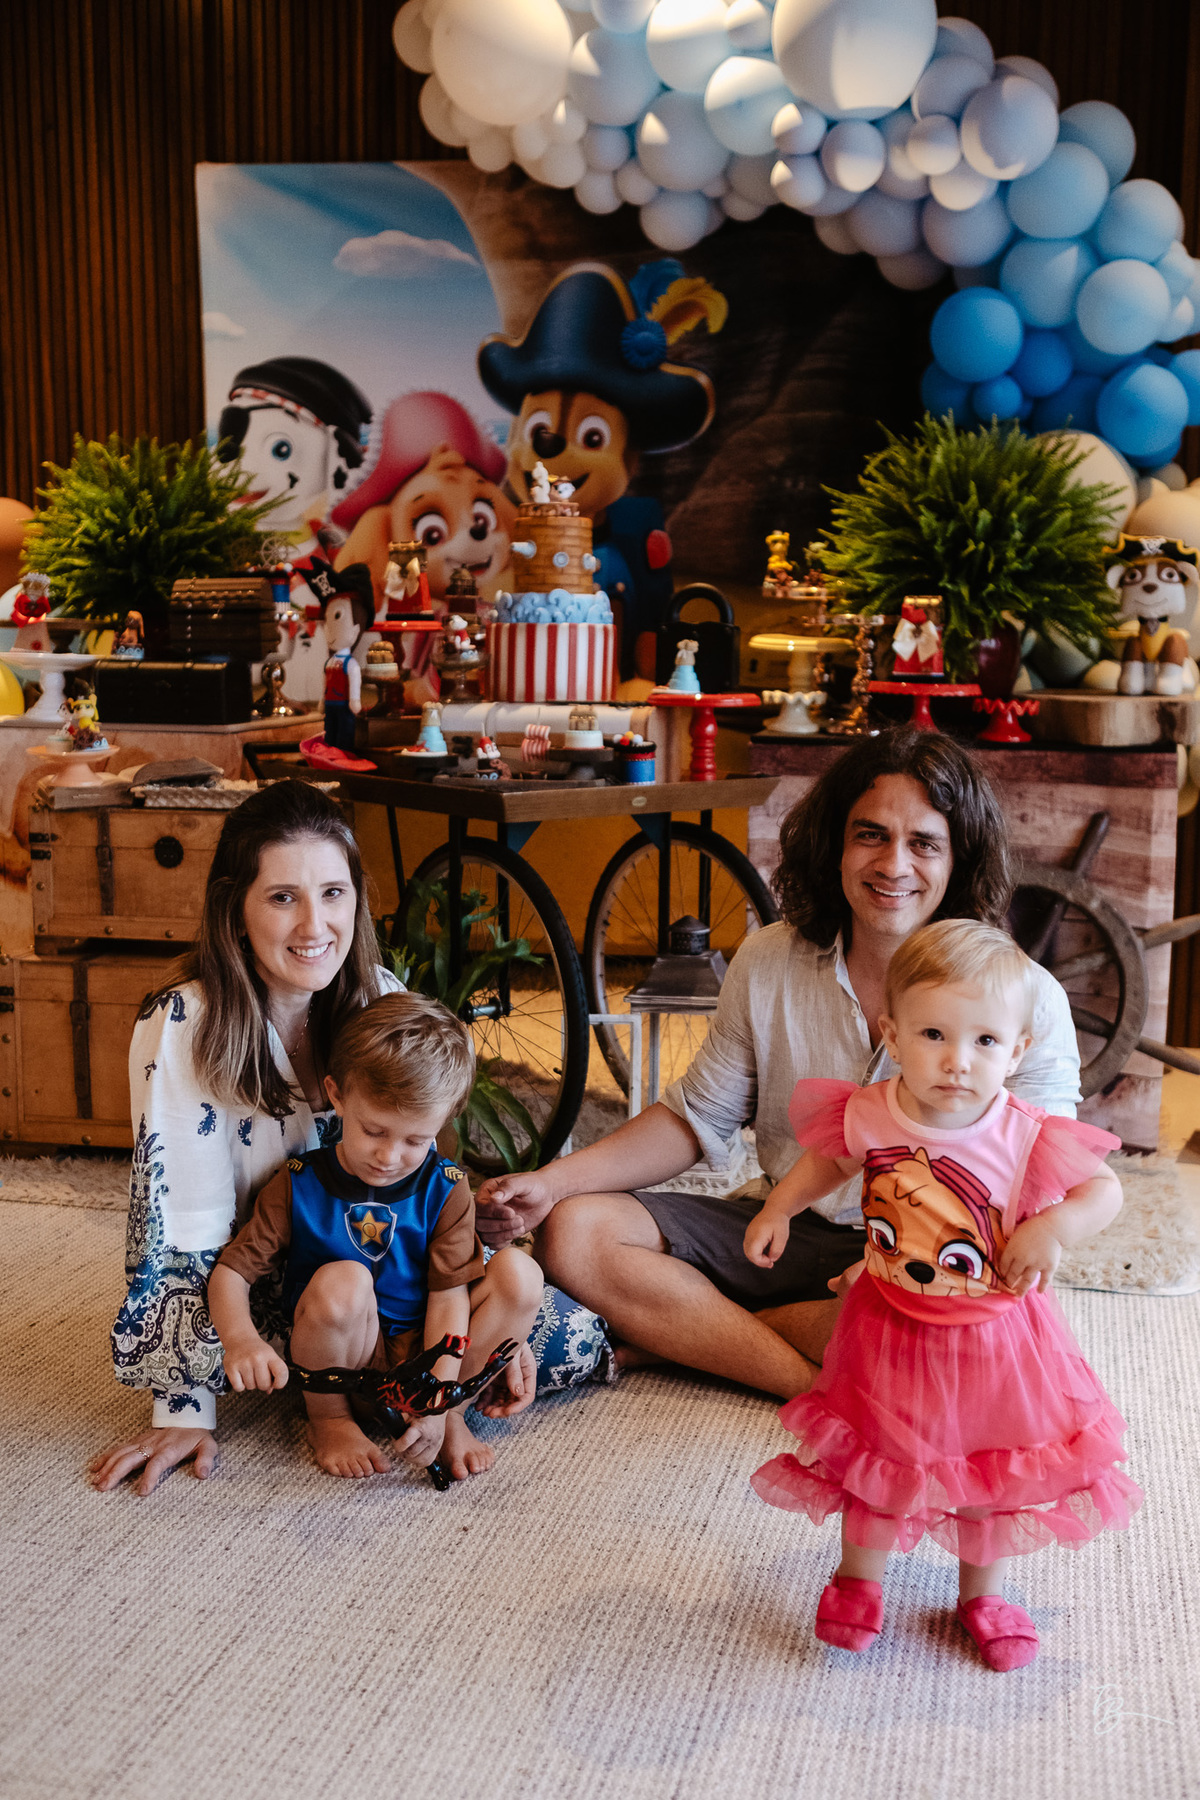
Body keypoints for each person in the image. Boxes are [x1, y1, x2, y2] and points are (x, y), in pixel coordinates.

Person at [475, 729, 1083, 1402]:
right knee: (577, 1233)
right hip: (782, 1228)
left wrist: (899, 1267)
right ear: (835, 845)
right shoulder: (769, 960)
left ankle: (686, 1337)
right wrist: (553, 1182)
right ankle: (803, 1382)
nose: (894, 864)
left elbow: (1041, 1188)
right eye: (871, 835)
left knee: (943, 1343)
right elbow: (694, 1119)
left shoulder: (1026, 998)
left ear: (959, 859)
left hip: (934, 1257)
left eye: (924, 843)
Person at [89, 780, 613, 1497]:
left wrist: (483, 1262)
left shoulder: (378, 993)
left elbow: (419, 1174)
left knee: (573, 1331)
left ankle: (468, 1391)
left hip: (400, 1287)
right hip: (280, 1295)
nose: (315, 925)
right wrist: (185, 1406)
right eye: (283, 897)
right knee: (378, 1304)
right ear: (235, 911)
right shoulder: (182, 1022)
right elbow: (177, 1228)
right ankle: (340, 1405)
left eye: (333, 893)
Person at [748, 919, 1141, 1670]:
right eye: (934, 1034)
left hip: (997, 1338)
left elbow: (1105, 1190)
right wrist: (779, 1207)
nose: (958, 1062)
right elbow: (828, 1163)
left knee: (989, 1476)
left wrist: (1053, 1229)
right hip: (889, 1326)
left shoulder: (1027, 1131)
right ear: (893, 1034)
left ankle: (982, 1594)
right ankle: (858, 1580)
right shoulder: (868, 1109)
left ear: (1018, 1050)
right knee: (876, 1462)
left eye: (985, 1043)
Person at [208, 992, 543, 1482]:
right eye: (374, 1131)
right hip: (346, 1359)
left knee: (520, 1274)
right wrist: (240, 1340)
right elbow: (231, 1274)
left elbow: (449, 1298)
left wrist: (436, 1397)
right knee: (345, 1279)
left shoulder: (446, 1189)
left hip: (426, 1354)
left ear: (443, 1120)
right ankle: (330, 1421)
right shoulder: (298, 1184)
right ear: (337, 1095)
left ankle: (448, 1419)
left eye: (414, 1140)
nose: (389, 1156)